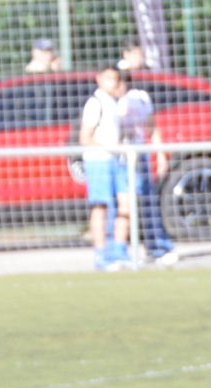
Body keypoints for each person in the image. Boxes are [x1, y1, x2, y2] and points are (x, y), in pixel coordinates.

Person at [116, 65, 176, 265]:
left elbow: (151, 127)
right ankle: (120, 252)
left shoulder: (140, 98)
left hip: (138, 153)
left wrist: (160, 155)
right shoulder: (110, 103)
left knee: (148, 201)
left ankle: (157, 247)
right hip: (120, 157)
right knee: (123, 205)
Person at [79, 66, 132, 270]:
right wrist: (111, 148)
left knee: (125, 204)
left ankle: (120, 251)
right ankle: (101, 255)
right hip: (99, 161)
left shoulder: (115, 102)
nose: (114, 83)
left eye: (116, 79)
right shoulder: (95, 103)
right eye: (109, 78)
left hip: (117, 161)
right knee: (100, 207)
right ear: (99, 78)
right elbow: (85, 137)